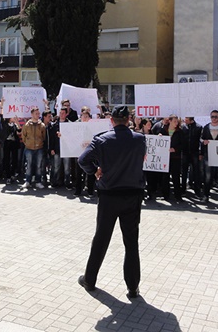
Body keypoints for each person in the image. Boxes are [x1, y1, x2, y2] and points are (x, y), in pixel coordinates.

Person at [77, 105, 147, 299]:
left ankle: (90, 280)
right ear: (128, 120)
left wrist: (95, 170)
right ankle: (133, 288)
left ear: (112, 121)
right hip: (133, 195)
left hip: (109, 195)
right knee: (131, 242)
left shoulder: (101, 139)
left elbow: (83, 160)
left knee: (101, 239)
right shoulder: (140, 139)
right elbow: (142, 158)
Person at [200, 110, 218, 203]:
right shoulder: (206, 127)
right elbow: (201, 139)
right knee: (208, 176)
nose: (214, 118)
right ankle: (206, 196)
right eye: (212, 116)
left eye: (216, 117)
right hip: (208, 155)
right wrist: (203, 143)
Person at [21, 106, 46, 189]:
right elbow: (23, 136)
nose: (38, 115)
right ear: (32, 114)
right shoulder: (27, 125)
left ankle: (38, 182)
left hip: (39, 148)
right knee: (29, 165)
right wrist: (27, 143)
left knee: (39, 165)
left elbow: (44, 136)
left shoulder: (42, 125)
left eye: (38, 113)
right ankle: (28, 181)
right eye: (36, 113)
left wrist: (40, 143)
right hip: (29, 148)